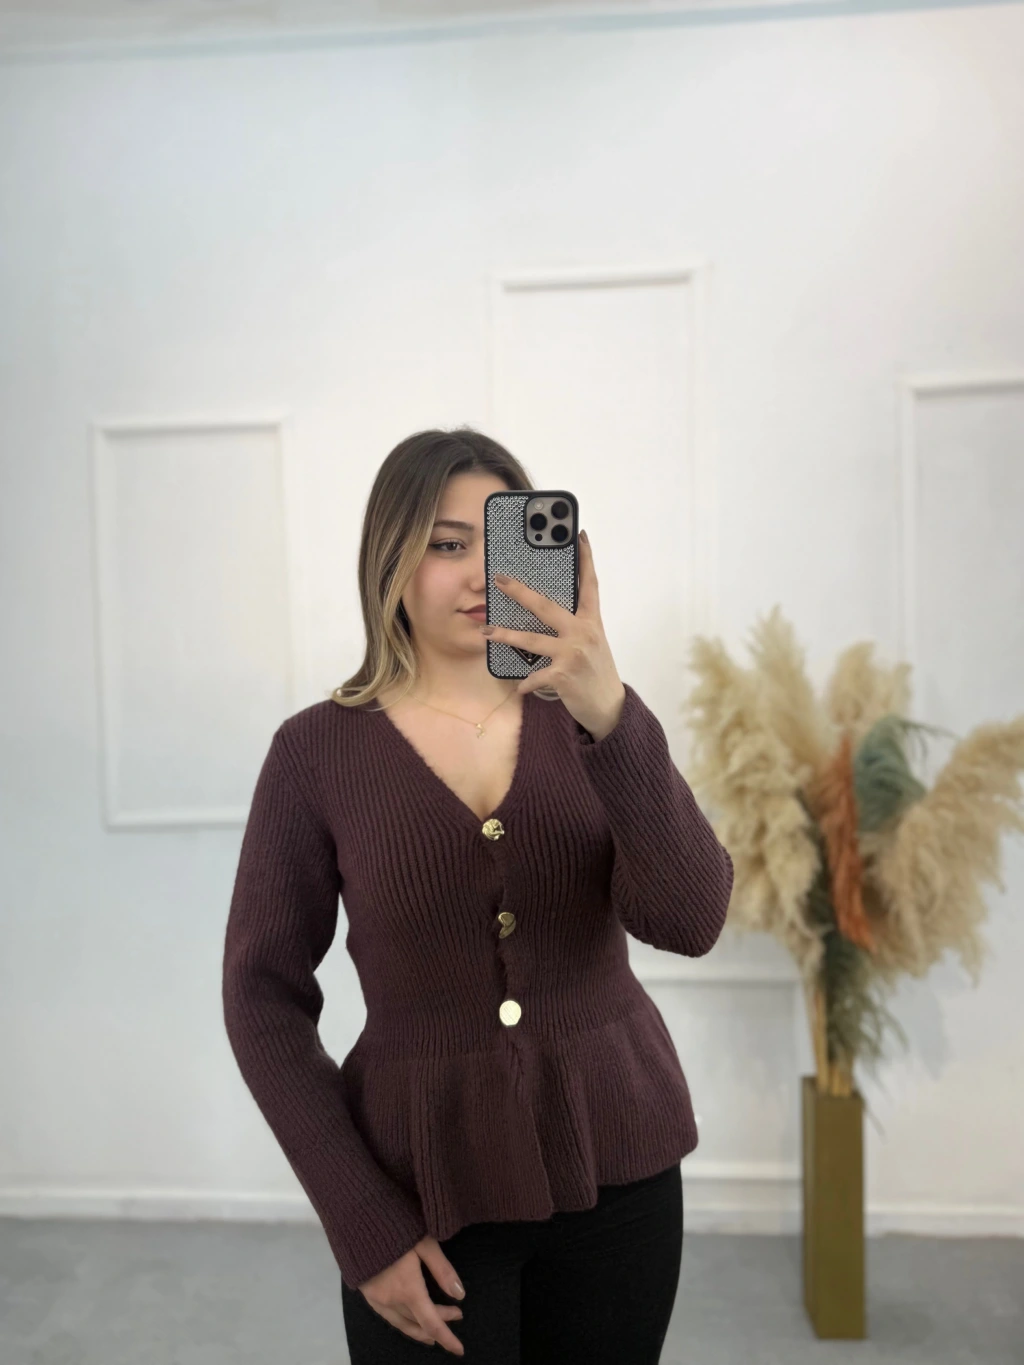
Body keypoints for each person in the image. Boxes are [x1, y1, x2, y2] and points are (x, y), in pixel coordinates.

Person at [222, 426, 734, 1362]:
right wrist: (360, 1219)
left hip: (619, 1177)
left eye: (495, 542)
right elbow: (261, 999)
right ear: (390, 558)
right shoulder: (314, 752)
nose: (474, 575)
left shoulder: (591, 722)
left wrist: (611, 712)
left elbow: (691, 918)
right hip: (423, 1192)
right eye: (444, 543)